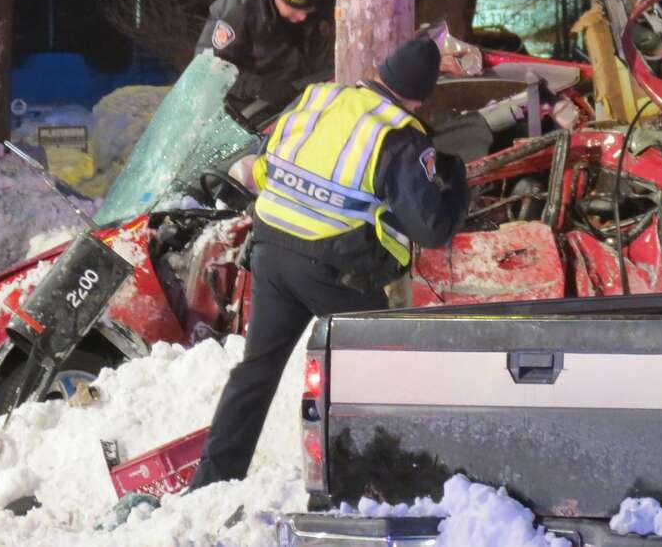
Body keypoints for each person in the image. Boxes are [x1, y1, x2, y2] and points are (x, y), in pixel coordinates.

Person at [188, 36, 470, 489]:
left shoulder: (318, 97)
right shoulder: (398, 136)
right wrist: (455, 182)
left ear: (380, 72)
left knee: (256, 371)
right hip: (333, 270)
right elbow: (431, 230)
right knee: (384, 367)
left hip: (273, 250)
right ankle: (393, 482)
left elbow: (264, 168)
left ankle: (210, 482)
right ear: (420, 96)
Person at [195, 0, 335, 124]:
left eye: (308, 10)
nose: (302, 18)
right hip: (258, 97)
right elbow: (214, 71)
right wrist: (259, 87)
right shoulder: (237, 12)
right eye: (293, 10)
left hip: (307, 84)